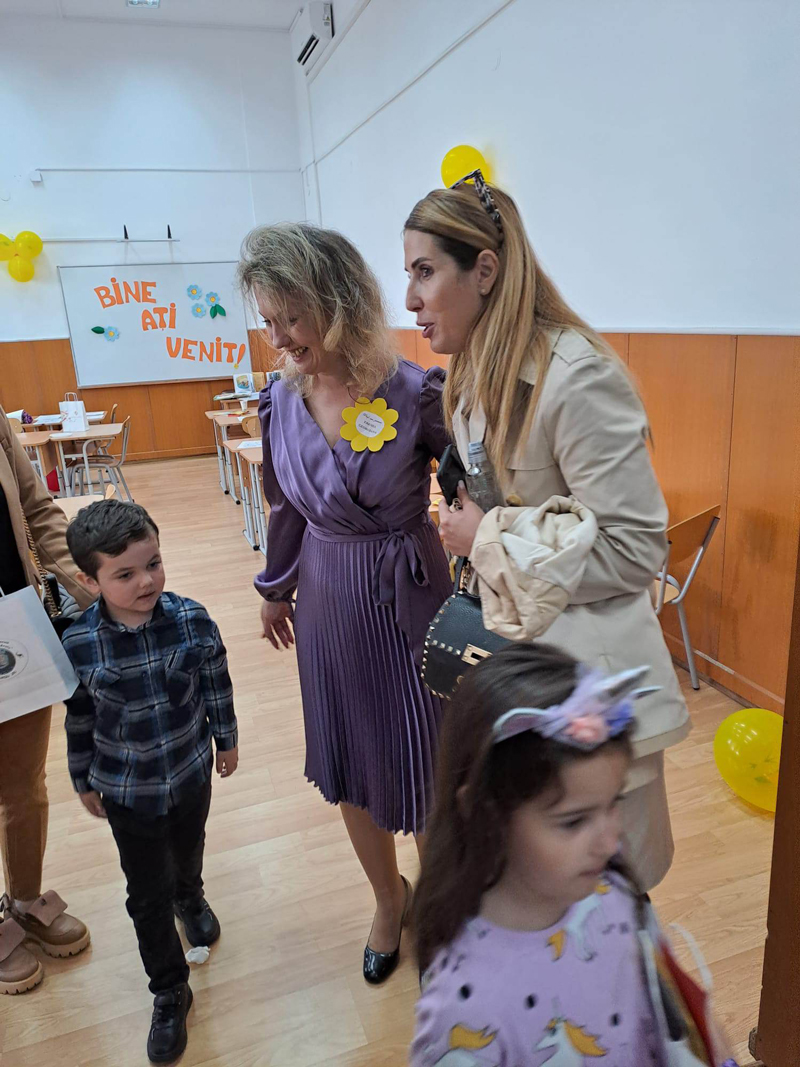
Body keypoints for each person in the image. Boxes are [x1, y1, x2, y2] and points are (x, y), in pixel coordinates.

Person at [404, 178, 689, 891]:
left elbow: (636, 549)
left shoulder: (577, 376)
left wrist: (487, 537)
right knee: (537, 905)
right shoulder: (469, 379)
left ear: (485, 271)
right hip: (522, 684)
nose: (409, 299)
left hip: (593, 696)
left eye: (424, 271)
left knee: (607, 902)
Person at [238, 223, 452, 985]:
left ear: (337, 303)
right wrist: (276, 588)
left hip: (409, 595)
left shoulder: (415, 392)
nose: (278, 338)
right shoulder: (279, 402)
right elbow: (286, 507)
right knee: (352, 754)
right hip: (328, 596)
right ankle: (388, 900)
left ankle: (441, 906)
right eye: (268, 321)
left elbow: (475, 488)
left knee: (427, 762)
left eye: (291, 317)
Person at [409, 644, 738, 1067]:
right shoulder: (464, 1010)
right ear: (485, 813)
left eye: (614, 802)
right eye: (573, 821)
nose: (610, 841)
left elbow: (663, 1009)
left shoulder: (614, 891)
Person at [62, 499, 238, 1064]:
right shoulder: (79, 645)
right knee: (145, 894)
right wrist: (82, 777)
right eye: (125, 574)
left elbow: (216, 681)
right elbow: (79, 717)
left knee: (189, 850)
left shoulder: (193, 620)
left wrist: (227, 739)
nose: (146, 581)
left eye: (154, 564)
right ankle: (168, 989)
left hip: (189, 773)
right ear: (89, 581)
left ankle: (191, 895)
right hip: (126, 790)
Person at [0, 404, 92, 996]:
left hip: (15, 626)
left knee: (24, 782)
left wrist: (88, 587)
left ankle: (25, 900)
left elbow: (36, 509)